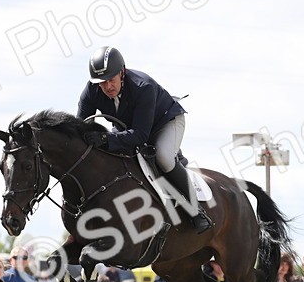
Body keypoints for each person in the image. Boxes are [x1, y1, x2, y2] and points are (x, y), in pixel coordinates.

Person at [76, 45, 211, 233]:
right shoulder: (92, 91)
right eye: (101, 82)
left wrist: (106, 139)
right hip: (130, 127)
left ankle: (196, 209)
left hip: (165, 121)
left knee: (163, 156)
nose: (107, 87)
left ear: (122, 72)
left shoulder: (142, 86)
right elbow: (79, 127)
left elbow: (140, 136)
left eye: (111, 79)